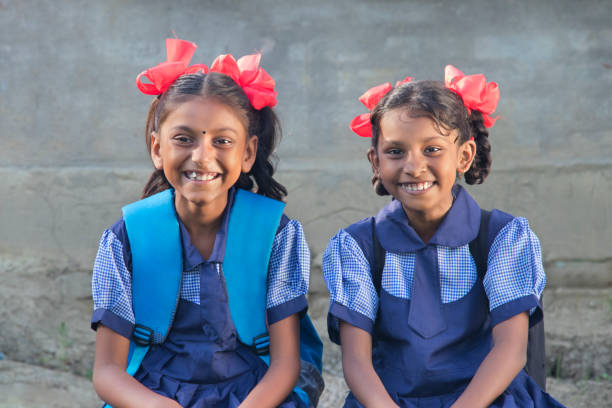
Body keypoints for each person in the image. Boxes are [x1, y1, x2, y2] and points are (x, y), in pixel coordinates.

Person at [322, 66, 565, 407]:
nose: (413, 165)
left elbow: (510, 351)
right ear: (375, 161)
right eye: (395, 152)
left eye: (432, 149)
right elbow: (356, 363)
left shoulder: (501, 238)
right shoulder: (358, 247)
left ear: (464, 155)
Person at [91, 38, 311, 408]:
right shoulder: (126, 238)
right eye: (183, 139)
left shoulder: (276, 235)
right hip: (154, 395)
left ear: (248, 153)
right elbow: (108, 371)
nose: (201, 156)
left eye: (222, 141)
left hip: (254, 392)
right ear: (158, 149)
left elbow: (285, 364)